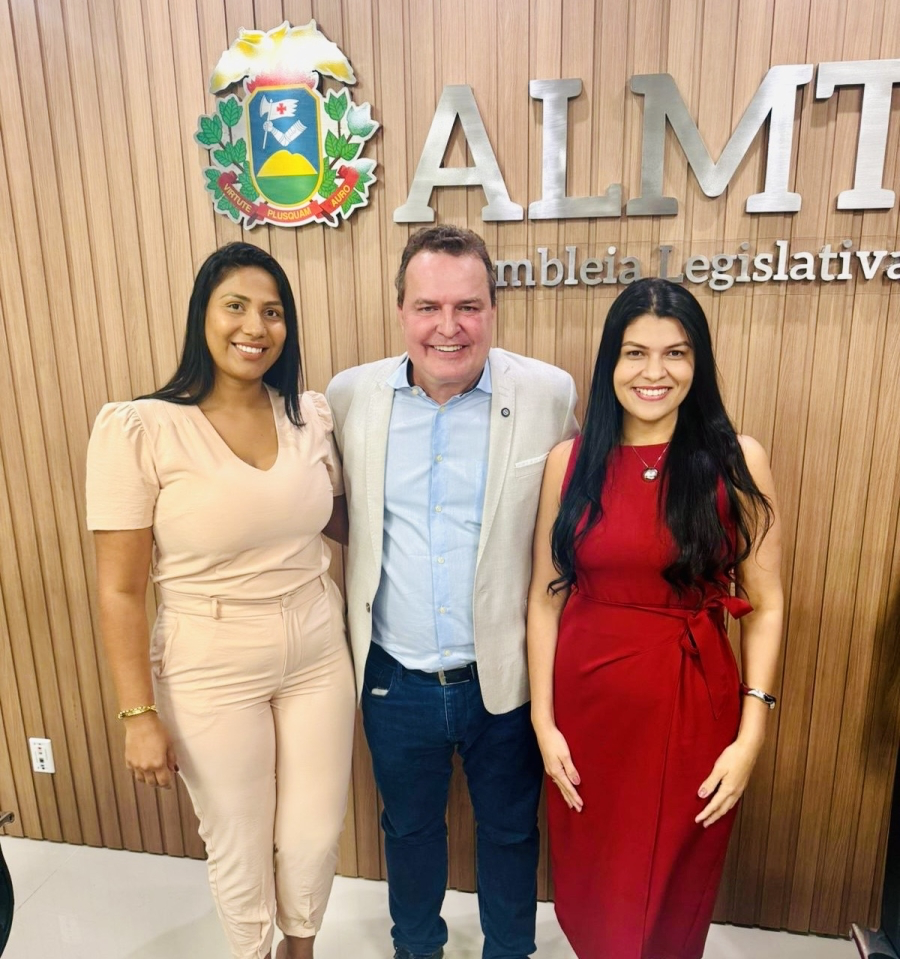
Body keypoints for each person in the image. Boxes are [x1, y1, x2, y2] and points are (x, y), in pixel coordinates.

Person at [86, 242, 355, 959]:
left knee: (313, 834)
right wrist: (138, 714)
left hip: (316, 644)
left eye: (273, 311)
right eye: (235, 306)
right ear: (202, 316)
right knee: (239, 840)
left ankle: (301, 949)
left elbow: (337, 519)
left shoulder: (308, 415)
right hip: (210, 655)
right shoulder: (141, 427)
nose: (255, 327)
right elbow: (119, 589)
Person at [326, 225, 578, 959]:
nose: (448, 326)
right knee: (408, 831)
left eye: (468, 306)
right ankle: (417, 948)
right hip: (394, 675)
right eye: (428, 306)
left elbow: (571, 512)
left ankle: (509, 951)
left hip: (507, 674)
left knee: (511, 832)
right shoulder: (351, 395)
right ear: (400, 310)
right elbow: (338, 508)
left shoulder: (547, 393)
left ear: (493, 309)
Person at [527, 278, 783, 959]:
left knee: (667, 908)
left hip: (691, 708)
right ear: (610, 361)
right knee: (596, 897)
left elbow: (766, 604)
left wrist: (751, 734)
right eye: (635, 352)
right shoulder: (568, 463)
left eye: (676, 353)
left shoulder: (736, 461)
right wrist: (544, 722)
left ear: (698, 364)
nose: (654, 372)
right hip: (587, 714)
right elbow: (545, 597)